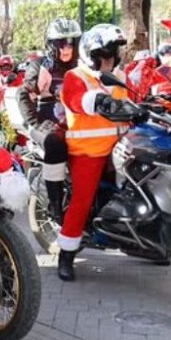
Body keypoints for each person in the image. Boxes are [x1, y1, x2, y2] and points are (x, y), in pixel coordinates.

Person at [58, 24, 132, 281]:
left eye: (113, 54)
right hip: (87, 152)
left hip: (121, 149)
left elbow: (135, 99)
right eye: (105, 55)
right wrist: (97, 101)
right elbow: (77, 100)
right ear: (91, 54)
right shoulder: (75, 76)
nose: (110, 59)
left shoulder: (120, 76)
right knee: (83, 200)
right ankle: (66, 255)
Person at [18, 18, 81, 221]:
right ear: (52, 45)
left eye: (71, 42)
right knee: (55, 142)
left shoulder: (83, 66)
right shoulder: (41, 67)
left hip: (77, 123)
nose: (67, 48)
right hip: (47, 122)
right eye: (61, 43)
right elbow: (24, 95)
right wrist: (34, 123)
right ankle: (55, 206)